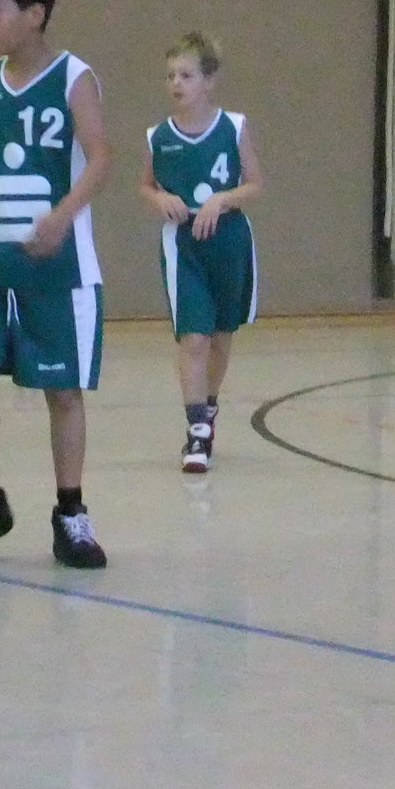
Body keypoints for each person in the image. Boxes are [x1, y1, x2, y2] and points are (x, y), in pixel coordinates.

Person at [0, 0, 110, 569]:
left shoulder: (74, 77)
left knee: (62, 392)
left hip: (57, 264)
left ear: (35, 14)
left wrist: (62, 217)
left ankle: (71, 514)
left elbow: (100, 158)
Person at [138, 34, 262, 471]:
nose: (176, 83)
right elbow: (145, 185)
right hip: (183, 242)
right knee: (193, 337)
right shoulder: (159, 136)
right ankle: (196, 431)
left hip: (228, 238)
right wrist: (159, 198)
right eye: (170, 76)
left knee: (221, 336)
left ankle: (208, 407)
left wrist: (222, 199)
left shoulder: (234, 126)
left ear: (209, 80)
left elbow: (255, 184)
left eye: (186, 75)